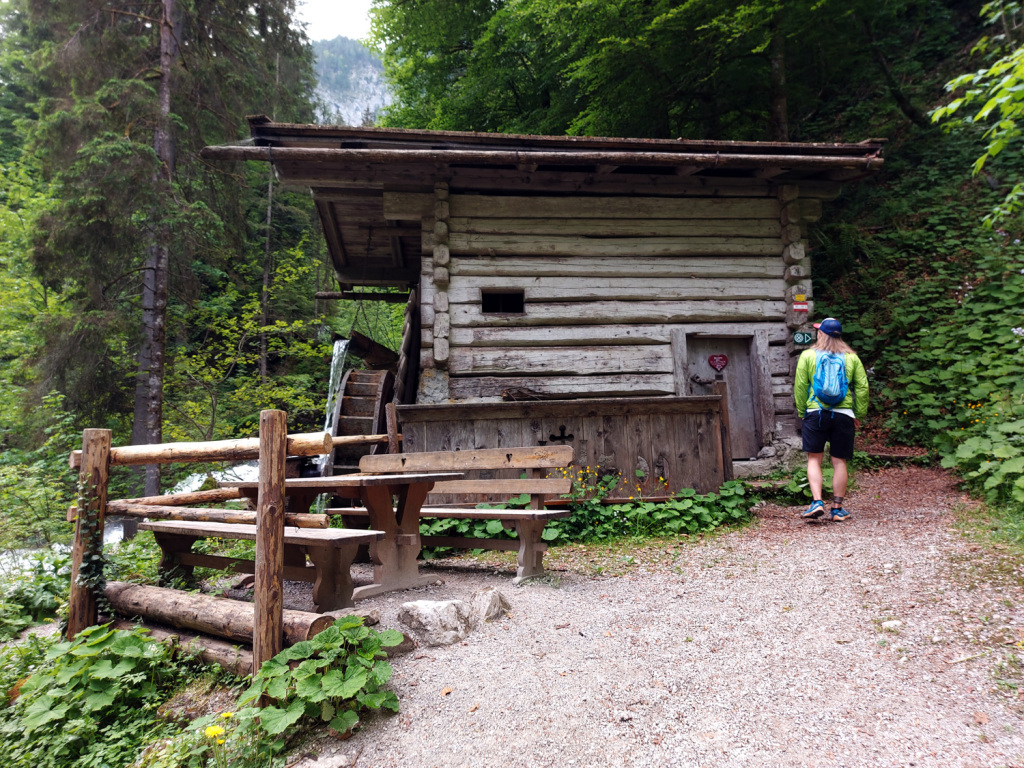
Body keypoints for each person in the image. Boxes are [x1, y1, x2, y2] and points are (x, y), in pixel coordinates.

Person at [793, 317, 869, 521]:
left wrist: (802, 412)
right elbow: (862, 388)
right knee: (839, 460)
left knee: (814, 458)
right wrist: (858, 414)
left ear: (821, 334)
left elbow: (800, 386)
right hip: (843, 414)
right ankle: (837, 509)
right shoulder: (851, 358)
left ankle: (817, 502)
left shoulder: (808, 355)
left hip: (815, 413)